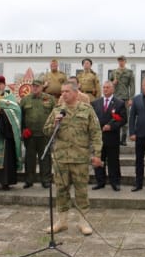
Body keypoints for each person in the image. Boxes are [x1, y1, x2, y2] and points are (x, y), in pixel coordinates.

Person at [43, 81, 103, 235]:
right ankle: (62, 222)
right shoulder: (57, 110)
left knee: (81, 191)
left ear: (76, 93)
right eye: (62, 91)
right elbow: (46, 131)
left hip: (80, 158)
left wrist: (97, 154)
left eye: (67, 91)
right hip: (61, 158)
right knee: (61, 190)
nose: (63, 94)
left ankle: (83, 223)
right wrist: (54, 124)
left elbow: (96, 133)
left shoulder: (87, 110)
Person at [91, 81, 127, 191]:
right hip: (99, 137)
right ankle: (100, 181)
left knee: (113, 161)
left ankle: (114, 182)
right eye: (104, 87)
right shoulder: (96, 103)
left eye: (108, 87)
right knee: (99, 160)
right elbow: (92, 118)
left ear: (113, 89)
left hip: (112, 137)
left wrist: (111, 127)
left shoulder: (119, 103)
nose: (105, 89)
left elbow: (122, 119)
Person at [20, 79, 56, 189]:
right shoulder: (25, 100)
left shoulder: (49, 99)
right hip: (30, 135)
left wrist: (52, 130)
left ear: (41, 87)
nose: (35, 88)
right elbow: (21, 116)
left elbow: (54, 115)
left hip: (44, 134)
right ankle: (29, 180)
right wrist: (23, 129)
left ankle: (46, 180)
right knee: (29, 159)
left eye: (37, 86)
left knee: (45, 158)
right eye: (33, 86)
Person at [110, 55, 135, 146]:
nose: (121, 62)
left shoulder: (129, 72)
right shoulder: (113, 73)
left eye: (123, 60)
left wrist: (131, 98)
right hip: (115, 98)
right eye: (119, 60)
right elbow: (108, 85)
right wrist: (113, 83)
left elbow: (132, 86)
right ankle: (115, 138)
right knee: (114, 118)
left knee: (125, 118)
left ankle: (123, 138)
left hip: (125, 98)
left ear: (125, 61)